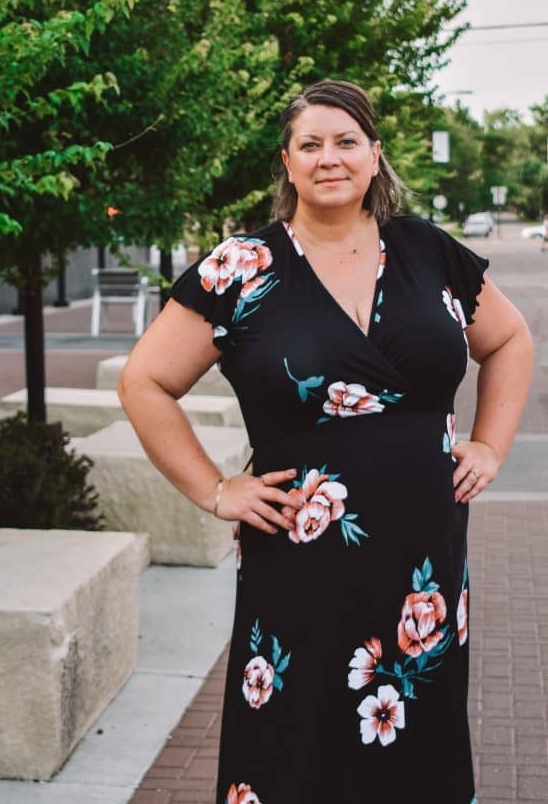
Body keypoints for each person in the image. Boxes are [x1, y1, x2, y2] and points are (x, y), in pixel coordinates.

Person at [118, 79, 533, 804]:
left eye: (346, 142)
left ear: (375, 157)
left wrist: (490, 444)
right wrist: (214, 490)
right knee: (296, 737)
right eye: (310, 145)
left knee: (413, 740)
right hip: (299, 562)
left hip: (422, 566)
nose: (328, 158)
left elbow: (509, 340)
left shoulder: (429, 253)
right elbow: (145, 382)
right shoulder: (240, 268)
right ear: (288, 163)